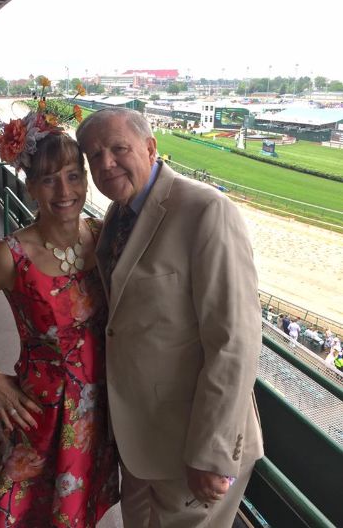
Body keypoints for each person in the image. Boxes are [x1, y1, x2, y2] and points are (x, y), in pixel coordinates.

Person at [76, 108, 263, 528]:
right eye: (94, 155)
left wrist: (210, 453)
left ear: (150, 147)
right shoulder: (117, 216)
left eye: (118, 148)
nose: (106, 163)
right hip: (139, 444)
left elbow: (236, 341)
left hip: (191, 450)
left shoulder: (206, 211)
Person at [0, 100, 118, 527]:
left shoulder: (104, 235)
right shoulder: (9, 256)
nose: (64, 192)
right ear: (30, 188)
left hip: (102, 415)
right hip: (39, 416)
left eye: (74, 177)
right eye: (48, 180)